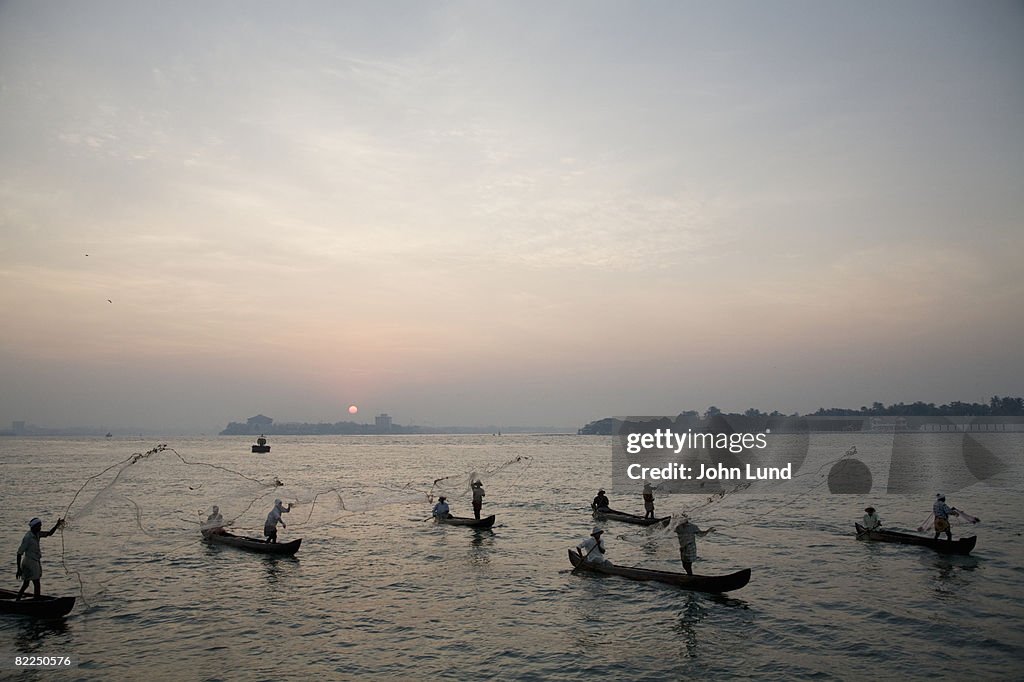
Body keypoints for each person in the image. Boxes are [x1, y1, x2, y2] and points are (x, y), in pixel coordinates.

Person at [16, 517, 64, 600]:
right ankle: (37, 601)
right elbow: (19, 553)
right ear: (34, 527)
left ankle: (18, 600)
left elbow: (49, 533)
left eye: (40, 526)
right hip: (29, 563)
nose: (40, 528)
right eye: (39, 526)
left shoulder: (37, 534)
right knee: (36, 583)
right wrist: (18, 569)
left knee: (26, 584)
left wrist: (57, 525)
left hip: (34, 562)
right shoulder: (28, 538)